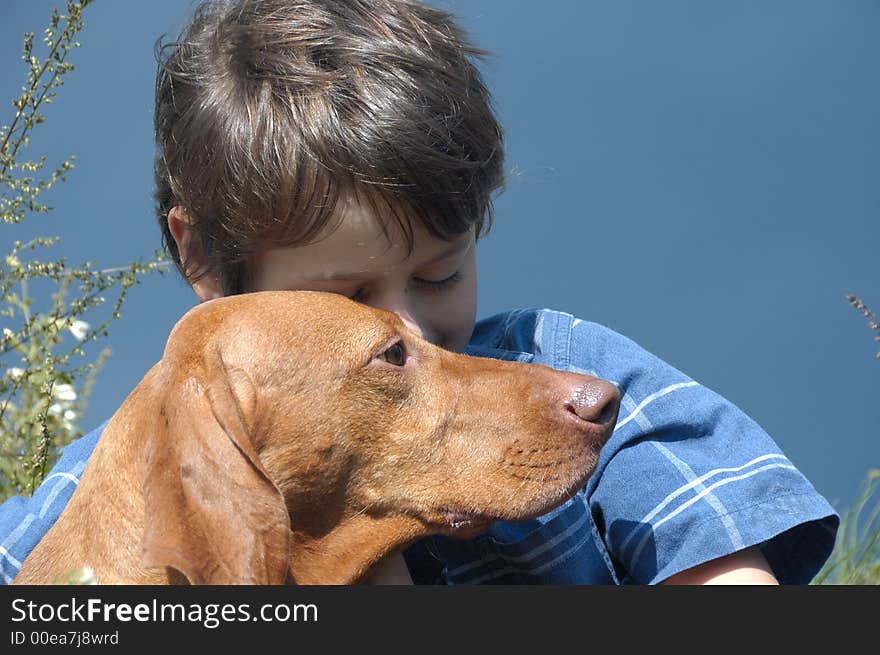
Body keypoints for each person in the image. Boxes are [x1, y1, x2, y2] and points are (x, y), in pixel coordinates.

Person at [0, 0, 838, 585]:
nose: (415, 321)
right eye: (357, 304)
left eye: (441, 274)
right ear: (209, 266)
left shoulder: (568, 370)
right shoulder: (83, 503)